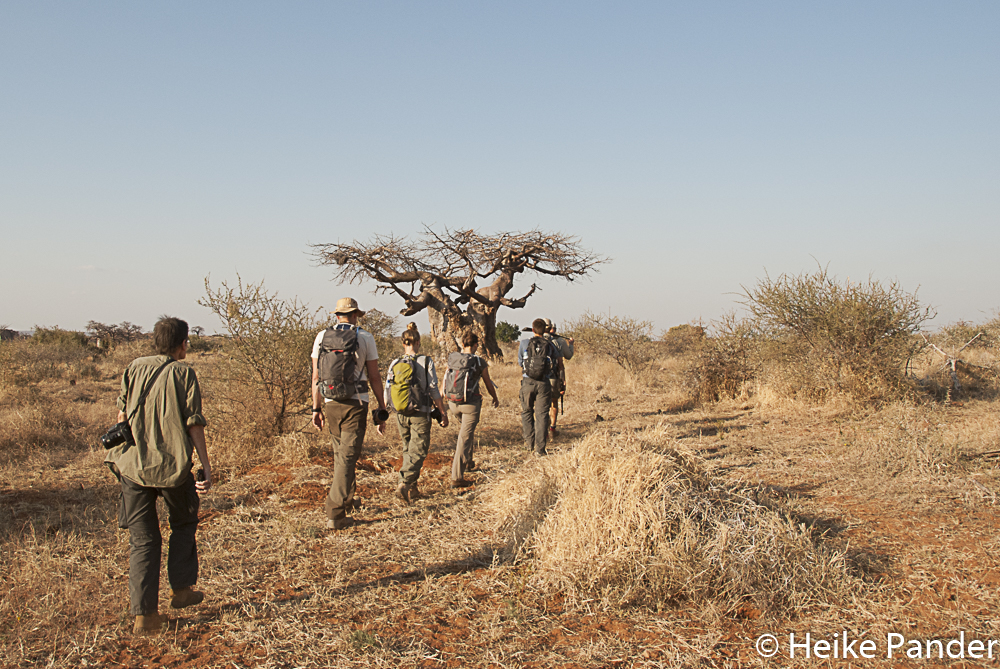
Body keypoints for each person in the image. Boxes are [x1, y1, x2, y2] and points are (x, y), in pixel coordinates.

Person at [104, 316, 212, 634]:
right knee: (183, 522)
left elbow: (122, 414)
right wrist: (205, 464)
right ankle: (181, 589)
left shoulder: (134, 366)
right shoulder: (183, 372)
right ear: (183, 343)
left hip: (133, 466)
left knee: (143, 541)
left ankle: (145, 616)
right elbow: (194, 423)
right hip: (173, 466)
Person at [312, 297, 387, 530]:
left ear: (337, 316)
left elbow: (316, 377)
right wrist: (382, 406)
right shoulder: (365, 337)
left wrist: (316, 408)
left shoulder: (321, 337)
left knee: (341, 454)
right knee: (348, 455)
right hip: (356, 402)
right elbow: (374, 376)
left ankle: (348, 498)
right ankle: (335, 512)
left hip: (330, 401)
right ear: (356, 315)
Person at [385, 323, 448, 504]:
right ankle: (404, 483)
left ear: (403, 344)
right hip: (421, 411)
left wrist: (386, 410)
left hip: (401, 412)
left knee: (408, 449)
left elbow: (387, 389)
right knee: (418, 450)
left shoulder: (395, 362)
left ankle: (412, 490)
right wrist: (442, 412)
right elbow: (434, 389)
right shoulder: (426, 361)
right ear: (418, 342)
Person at [445, 331, 500, 487]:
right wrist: (495, 397)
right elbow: (488, 384)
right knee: (464, 438)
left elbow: (446, 378)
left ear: (462, 344)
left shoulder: (453, 358)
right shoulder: (479, 362)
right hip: (470, 405)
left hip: (453, 403)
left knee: (466, 432)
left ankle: (468, 462)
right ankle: (456, 477)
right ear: (476, 345)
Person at [518, 318, 559, 455]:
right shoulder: (550, 345)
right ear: (546, 330)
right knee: (542, 415)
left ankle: (529, 443)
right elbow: (555, 363)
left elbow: (520, 362)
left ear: (533, 329)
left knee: (527, 412)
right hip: (543, 383)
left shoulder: (524, 343)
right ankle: (540, 449)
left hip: (527, 382)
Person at [542, 319, 574, 438]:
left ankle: (542, 428)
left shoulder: (533, 341)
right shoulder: (559, 342)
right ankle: (552, 428)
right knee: (554, 401)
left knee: (542, 403)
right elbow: (567, 358)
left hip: (538, 378)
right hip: (553, 376)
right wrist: (571, 345)